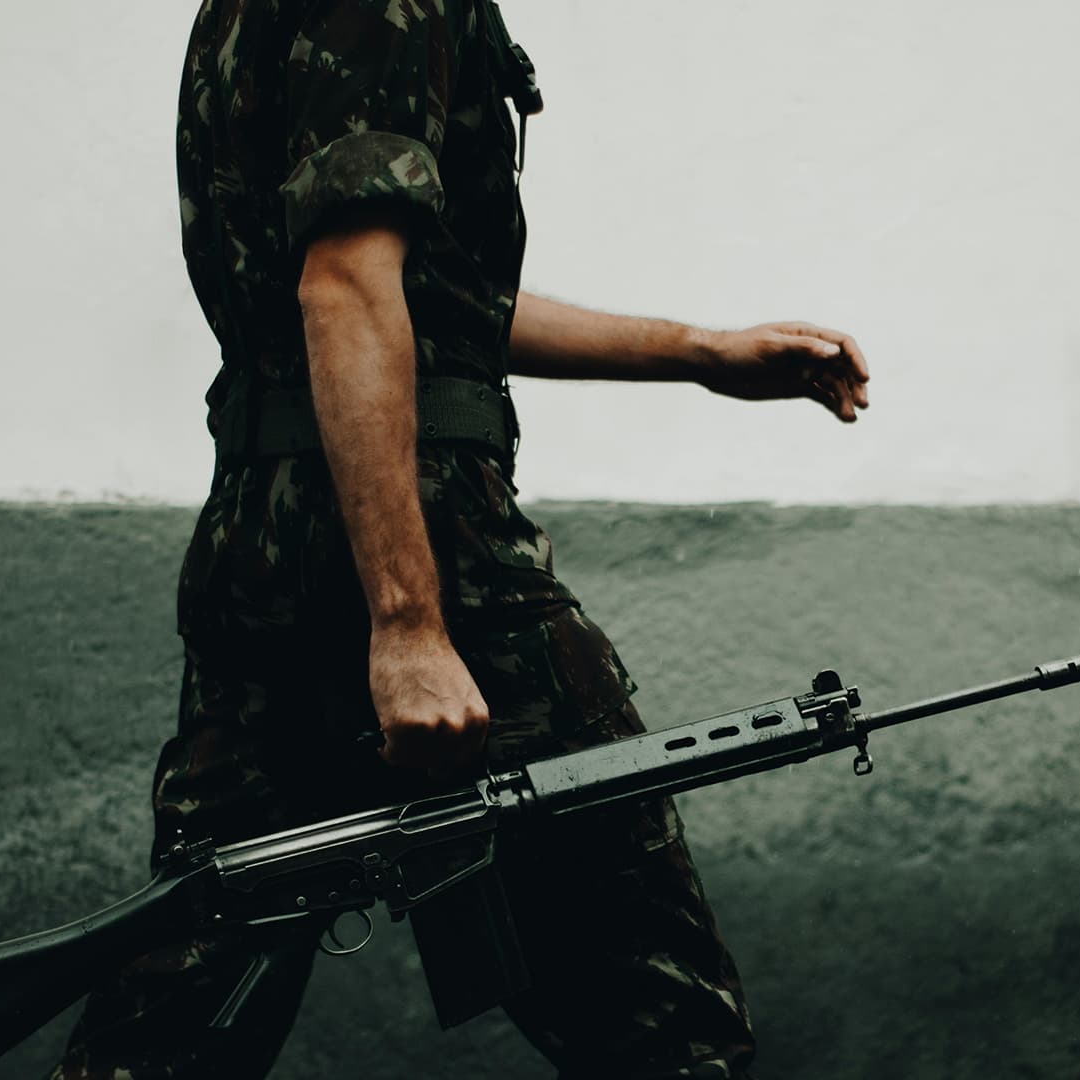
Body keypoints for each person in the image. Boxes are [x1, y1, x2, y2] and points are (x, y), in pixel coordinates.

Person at [50, 1, 868, 1077]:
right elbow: (345, 286)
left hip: (264, 549)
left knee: (170, 1027)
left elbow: (427, 293)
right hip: (426, 542)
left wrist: (701, 351)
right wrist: (407, 620)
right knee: (667, 1033)